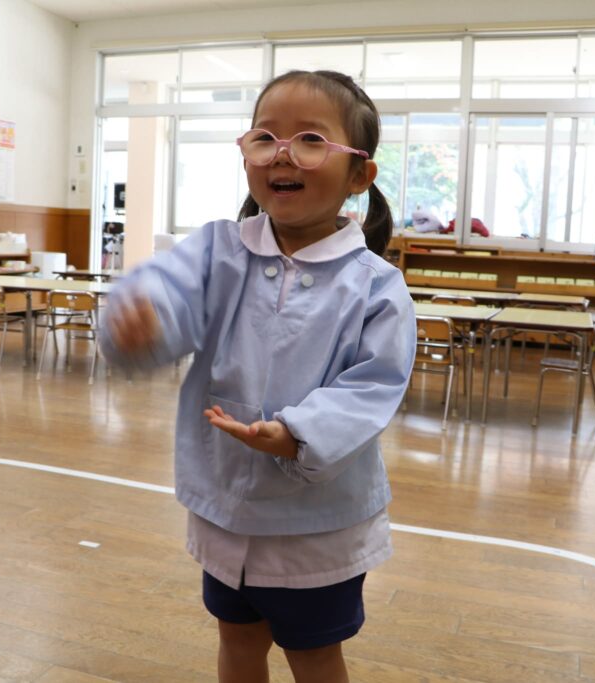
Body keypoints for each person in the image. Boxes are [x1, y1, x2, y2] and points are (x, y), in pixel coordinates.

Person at [99, 70, 416, 683]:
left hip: (316, 523)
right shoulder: (217, 249)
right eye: (265, 138)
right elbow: (165, 291)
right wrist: (142, 321)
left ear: (359, 175)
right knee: (237, 639)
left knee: (314, 654)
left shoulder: (376, 285)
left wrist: (298, 433)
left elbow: (373, 385)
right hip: (225, 506)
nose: (282, 154)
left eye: (311, 140)